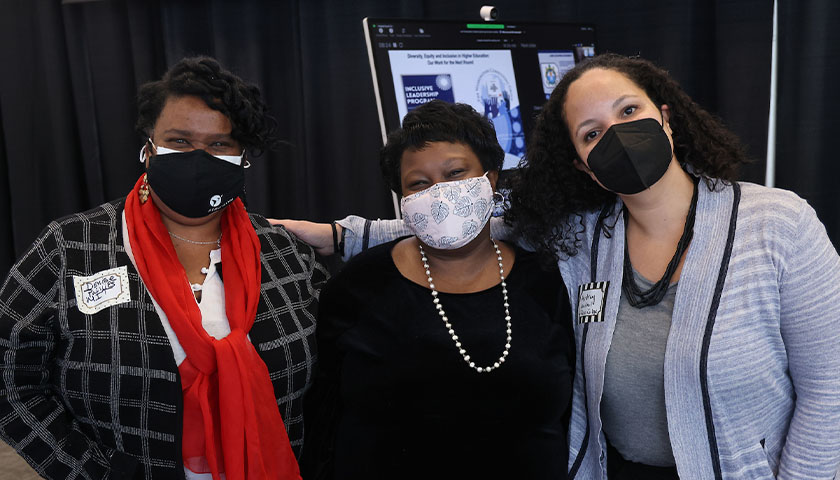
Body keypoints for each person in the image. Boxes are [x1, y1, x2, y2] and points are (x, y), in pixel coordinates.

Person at [276, 54, 840, 479]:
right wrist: (345, 236)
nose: (617, 135)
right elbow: (463, 221)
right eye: (593, 132)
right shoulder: (582, 234)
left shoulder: (778, 224)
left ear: (665, 115)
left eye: (629, 112)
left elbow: (830, 394)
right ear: (582, 162)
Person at [0, 56, 327, 480]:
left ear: (243, 156)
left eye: (219, 145)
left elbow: (330, 380)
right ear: (149, 147)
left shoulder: (283, 252)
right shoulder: (70, 247)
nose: (198, 157)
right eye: (179, 140)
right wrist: (92, 473)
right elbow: (10, 378)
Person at [300, 100, 574, 479]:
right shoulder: (359, 286)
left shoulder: (545, 281)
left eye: (456, 173)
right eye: (420, 183)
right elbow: (323, 417)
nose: (440, 194)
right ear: (403, 200)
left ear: (491, 180)